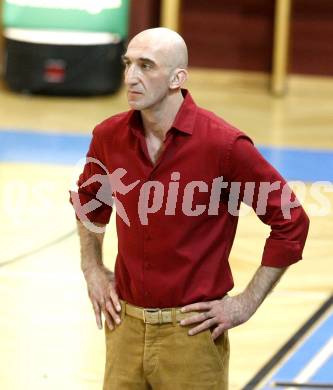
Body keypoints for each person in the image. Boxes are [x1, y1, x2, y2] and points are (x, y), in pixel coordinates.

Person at [70, 27, 309, 389]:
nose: (130, 77)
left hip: (192, 336)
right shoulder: (108, 137)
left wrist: (245, 303)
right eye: (128, 63)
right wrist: (91, 266)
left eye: (145, 66)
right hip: (123, 328)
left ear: (177, 78)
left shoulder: (224, 145)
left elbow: (291, 220)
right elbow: (89, 203)